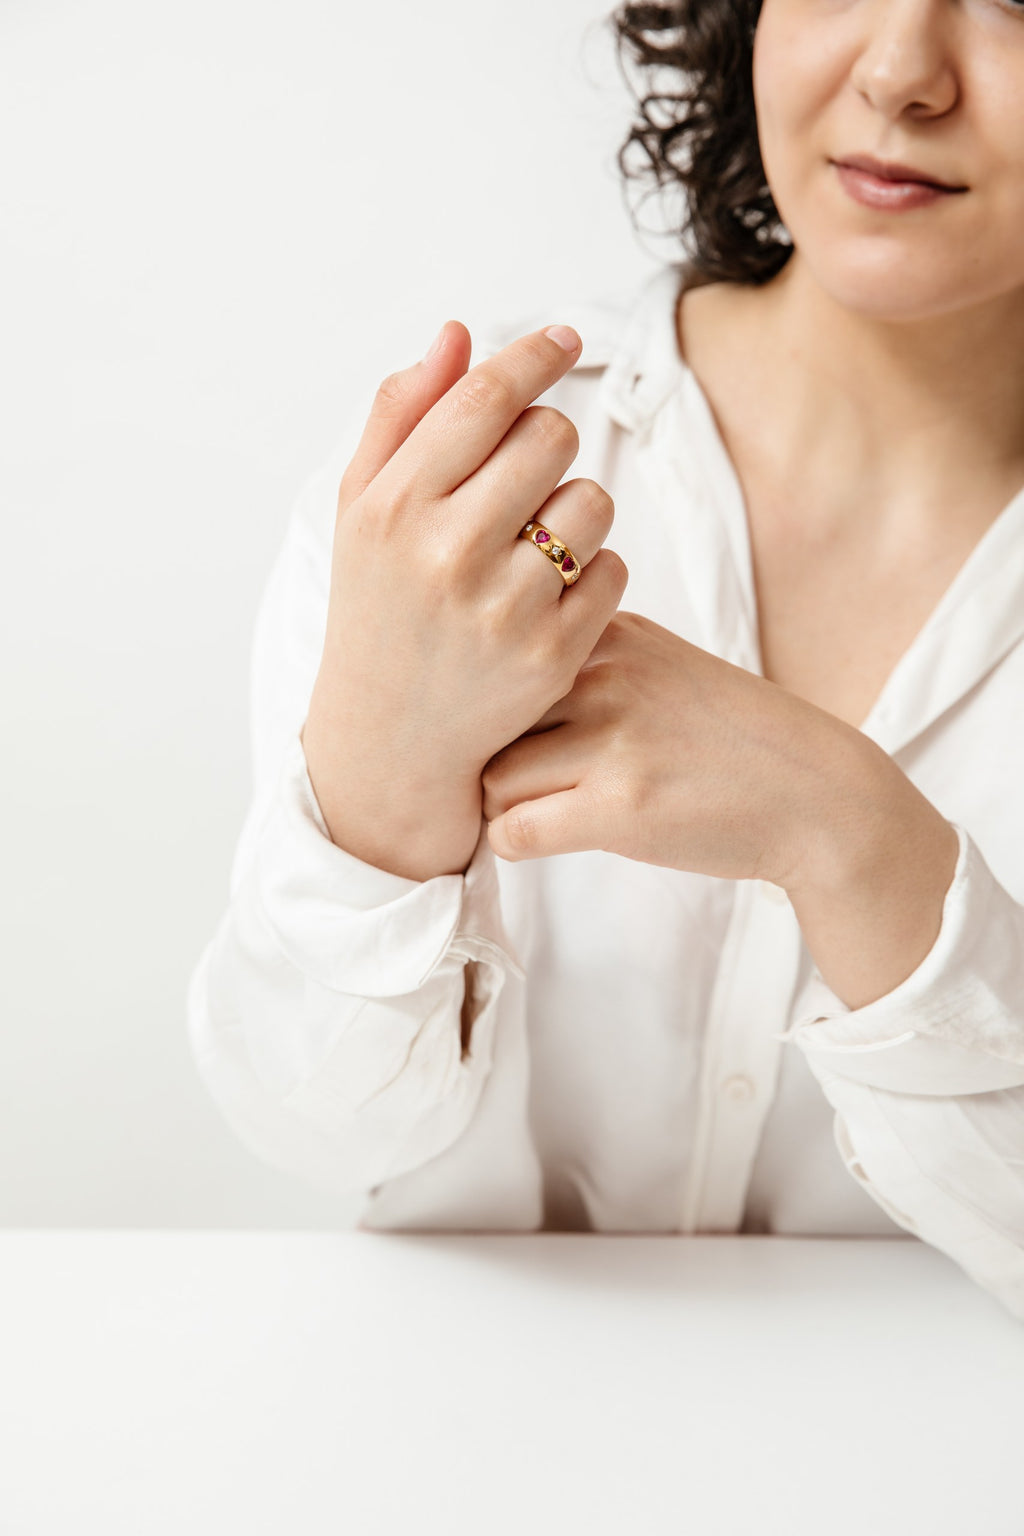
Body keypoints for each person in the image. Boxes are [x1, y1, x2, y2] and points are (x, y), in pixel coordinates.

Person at [186, 0, 1024, 1321]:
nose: (902, 71)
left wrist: (852, 838)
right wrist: (375, 782)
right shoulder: (461, 503)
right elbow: (319, 1130)